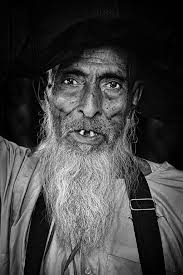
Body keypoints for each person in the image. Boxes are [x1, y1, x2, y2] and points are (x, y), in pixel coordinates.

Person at [1, 7, 183, 275]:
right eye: (71, 80)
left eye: (112, 85)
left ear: (134, 98)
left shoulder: (176, 198)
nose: (90, 107)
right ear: (44, 92)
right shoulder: (11, 180)